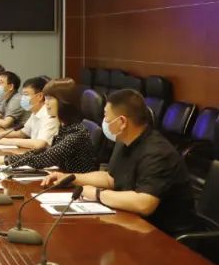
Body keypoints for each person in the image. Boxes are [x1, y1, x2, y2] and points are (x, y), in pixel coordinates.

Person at [40, 88, 195, 235]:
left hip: (163, 234)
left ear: (122, 121)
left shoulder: (157, 152)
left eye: (106, 117)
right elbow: (111, 178)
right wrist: (71, 178)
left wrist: (97, 194)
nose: (104, 121)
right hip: (133, 222)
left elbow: (144, 203)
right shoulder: (124, 140)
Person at [0, 80, 95, 173]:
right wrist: (9, 158)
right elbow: (45, 151)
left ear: (64, 102)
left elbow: (47, 158)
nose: (46, 102)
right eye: (46, 98)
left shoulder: (76, 133)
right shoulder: (65, 126)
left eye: (50, 98)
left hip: (75, 183)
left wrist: (5, 160)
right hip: (62, 177)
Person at [0, 76, 55, 161]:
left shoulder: (48, 115)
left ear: (39, 96)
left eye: (26, 95)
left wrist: (5, 141)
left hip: (44, 161)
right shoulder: (35, 112)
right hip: (34, 157)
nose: (23, 98)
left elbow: (39, 144)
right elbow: (22, 133)